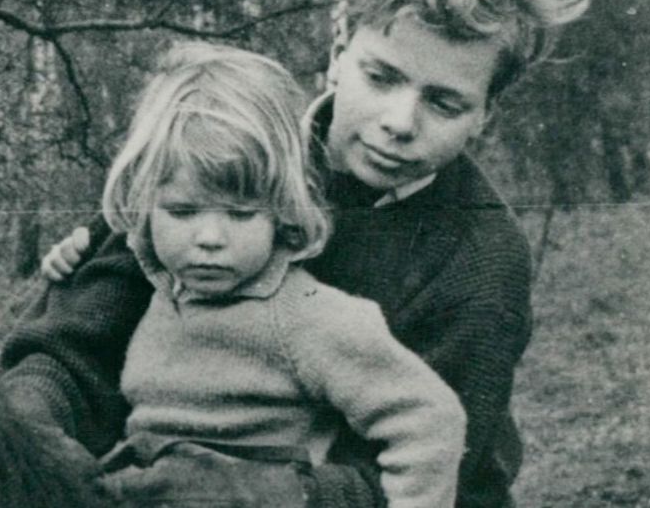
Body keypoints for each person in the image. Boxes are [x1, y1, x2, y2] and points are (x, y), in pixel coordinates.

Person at [0, 0, 589, 506]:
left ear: (487, 112)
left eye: (444, 103)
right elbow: (71, 344)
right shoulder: (236, 142)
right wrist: (32, 430)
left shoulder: (480, 257)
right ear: (340, 50)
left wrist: (245, 491)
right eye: (381, 76)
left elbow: (445, 473)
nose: (399, 123)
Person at [90, 41, 466, 508]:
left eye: (242, 214)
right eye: (182, 211)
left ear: (282, 213)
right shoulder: (159, 291)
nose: (209, 237)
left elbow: (430, 419)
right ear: (146, 209)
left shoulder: (306, 317)